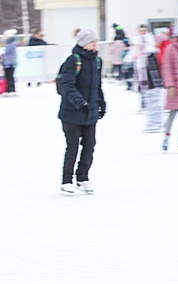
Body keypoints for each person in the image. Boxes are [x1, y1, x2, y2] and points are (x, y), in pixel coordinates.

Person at [58, 29, 106, 195]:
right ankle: (66, 180)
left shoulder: (97, 61)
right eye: (92, 41)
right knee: (72, 147)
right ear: (84, 43)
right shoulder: (73, 61)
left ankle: (82, 177)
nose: (95, 44)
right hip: (71, 112)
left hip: (89, 111)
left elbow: (97, 86)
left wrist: (101, 102)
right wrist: (79, 102)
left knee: (89, 145)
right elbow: (67, 85)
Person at [133, 24, 163, 131]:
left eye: (144, 31)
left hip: (151, 76)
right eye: (140, 31)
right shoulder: (138, 48)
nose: (142, 33)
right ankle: (152, 121)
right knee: (147, 97)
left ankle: (156, 122)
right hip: (143, 75)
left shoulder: (151, 51)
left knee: (154, 98)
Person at [2, 29, 18, 97]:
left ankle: (12, 90)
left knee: (10, 76)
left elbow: (10, 54)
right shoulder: (8, 43)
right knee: (7, 77)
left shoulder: (12, 44)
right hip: (7, 62)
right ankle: (7, 89)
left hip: (10, 63)